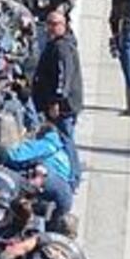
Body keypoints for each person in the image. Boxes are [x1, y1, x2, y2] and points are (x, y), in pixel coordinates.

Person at [31, 9, 84, 173]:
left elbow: (64, 77)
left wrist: (56, 101)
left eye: (55, 24)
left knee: (65, 140)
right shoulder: (55, 44)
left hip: (64, 106)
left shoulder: (62, 48)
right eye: (49, 24)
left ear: (64, 25)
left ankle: (73, 175)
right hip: (58, 103)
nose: (51, 28)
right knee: (63, 139)